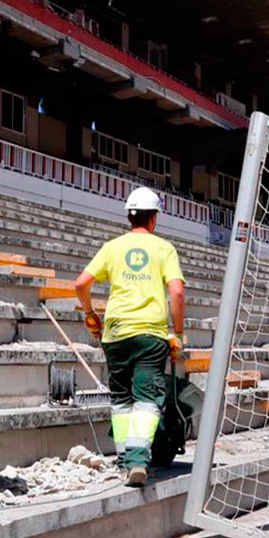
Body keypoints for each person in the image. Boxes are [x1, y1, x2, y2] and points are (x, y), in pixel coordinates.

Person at [74, 186, 185, 487]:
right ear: (154, 218)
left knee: (122, 399)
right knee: (147, 398)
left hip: (116, 334)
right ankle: (137, 460)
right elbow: (176, 292)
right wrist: (178, 333)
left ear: (129, 217)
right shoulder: (164, 249)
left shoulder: (113, 247)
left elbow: (81, 283)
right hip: (150, 334)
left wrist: (90, 313)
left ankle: (124, 459)